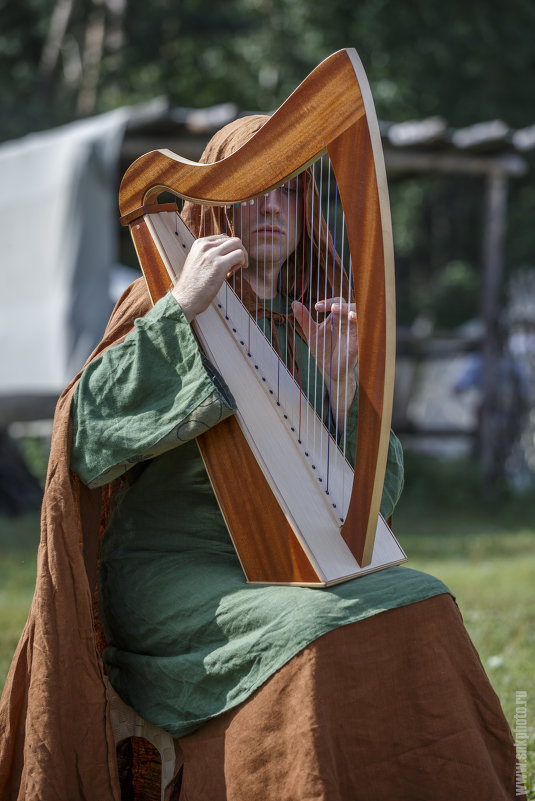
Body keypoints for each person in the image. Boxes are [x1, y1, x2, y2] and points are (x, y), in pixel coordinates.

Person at [0, 116, 521, 801]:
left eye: (289, 193)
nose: (272, 207)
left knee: (422, 596)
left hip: (291, 566)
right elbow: (86, 435)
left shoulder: (318, 320)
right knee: (312, 625)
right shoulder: (158, 297)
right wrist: (182, 309)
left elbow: (374, 508)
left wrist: (340, 396)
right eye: (252, 191)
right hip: (169, 573)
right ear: (213, 203)